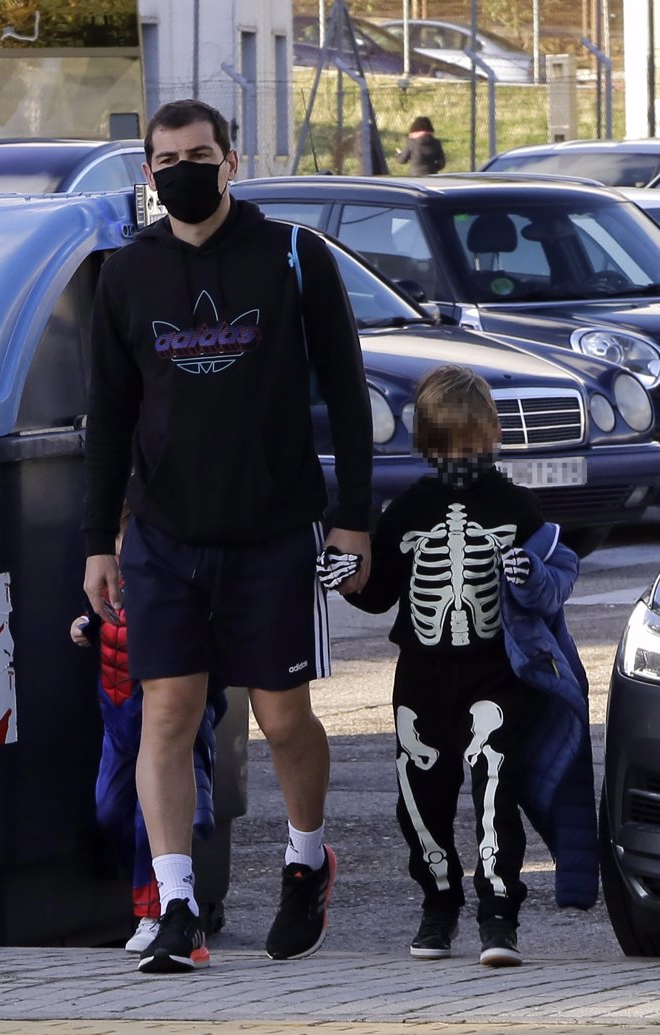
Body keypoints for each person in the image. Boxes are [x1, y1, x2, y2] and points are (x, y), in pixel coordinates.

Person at [82, 98, 372, 974]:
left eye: (199, 153)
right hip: (165, 537)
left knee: (283, 720)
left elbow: (350, 393)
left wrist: (354, 519)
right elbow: (110, 417)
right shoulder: (126, 274)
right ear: (148, 172)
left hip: (275, 532)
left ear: (231, 161)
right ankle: (175, 907)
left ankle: (306, 857)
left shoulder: (294, 255)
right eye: (167, 158)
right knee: (166, 712)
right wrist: (99, 540)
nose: (184, 169)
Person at [342, 365, 597, 967]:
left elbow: (556, 580)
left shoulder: (517, 505)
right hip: (423, 674)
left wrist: (531, 577)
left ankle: (498, 914)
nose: (465, 455)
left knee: (494, 788)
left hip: (495, 674)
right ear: (430, 444)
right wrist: (347, 578)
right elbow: (378, 592)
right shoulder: (408, 508)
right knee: (419, 794)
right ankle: (439, 903)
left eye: (476, 443)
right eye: (453, 444)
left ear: (493, 438)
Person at [71, 503, 226, 958]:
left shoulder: (169, 586)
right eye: (118, 541)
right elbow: (96, 620)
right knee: (109, 811)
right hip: (117, 726)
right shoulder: (111, 580)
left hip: (159, 723)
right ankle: (155, 900)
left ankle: (157, 910)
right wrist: (86, 625)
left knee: (149, 819)